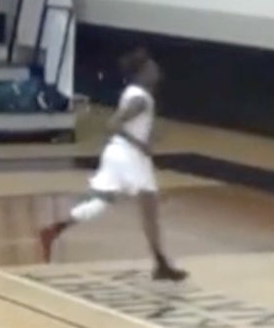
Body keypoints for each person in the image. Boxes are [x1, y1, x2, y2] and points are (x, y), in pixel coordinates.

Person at [39, 48, 187, 282]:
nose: (156, 70)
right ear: (142, 72)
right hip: (129, 156)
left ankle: (55, 230)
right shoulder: (140, 99)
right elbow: (113, 123)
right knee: (149, 212)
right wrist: (142, 145)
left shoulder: (133, 92)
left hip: (120, 154)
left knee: (101, 204)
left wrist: (145, 140)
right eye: (151, 67)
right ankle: (161, 264)